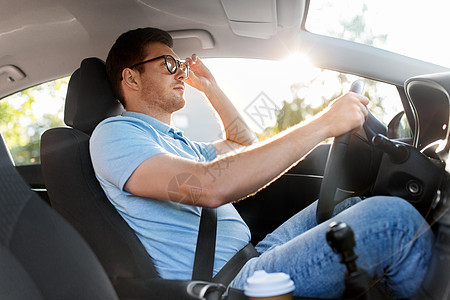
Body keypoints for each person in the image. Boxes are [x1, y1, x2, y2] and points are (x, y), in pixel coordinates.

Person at [90, 27, 433, 298]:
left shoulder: (176, 143)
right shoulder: (115, 134)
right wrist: (325, 123)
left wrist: (211, 88)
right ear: (131, 78)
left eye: (180, 65)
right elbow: (207, 186)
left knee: (351, 204)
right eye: (168, 64)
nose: (180, 73)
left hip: (250, 255)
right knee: (393, 222)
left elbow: (244, 144)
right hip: (226, 284)